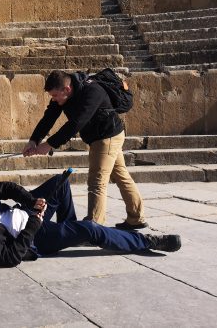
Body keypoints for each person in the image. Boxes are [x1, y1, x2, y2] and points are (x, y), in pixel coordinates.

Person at [0, 172, 181, 268]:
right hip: (36, 236)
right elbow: (10, 258)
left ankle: (70, 232)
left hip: (29, 214)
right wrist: (34, 223)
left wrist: (31, 202)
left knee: (60, 182)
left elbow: (7, 187)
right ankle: (147, 242)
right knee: (91, 228)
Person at [22, 70, 147, 230]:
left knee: (97, 182)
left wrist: (50, 144)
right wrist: (34, 140)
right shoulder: (63, 94)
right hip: (100, 137)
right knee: (120, 174)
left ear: (66, 89)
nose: (53, 99)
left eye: (54, 96)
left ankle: (93, 227)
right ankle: (136, 218)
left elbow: (76, 123)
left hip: (106, 137)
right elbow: (49, 117)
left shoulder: (92, 91)